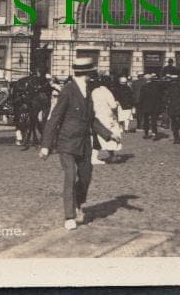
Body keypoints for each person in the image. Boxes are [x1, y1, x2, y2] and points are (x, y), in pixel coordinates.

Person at [40, 57, 121, 230]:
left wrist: (109, 135)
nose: (93, 76)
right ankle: (69, 216)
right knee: (70, 175)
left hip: (84, 142)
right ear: (86, 74)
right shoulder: (68, 90)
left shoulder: (88, 91)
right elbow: (55, 118)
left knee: (86, 176)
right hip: (67, 142)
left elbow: (91, 120)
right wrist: (46, 145)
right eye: (92, 73)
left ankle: (78, 202)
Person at [92, 77, 122, 163]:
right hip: (107, 116)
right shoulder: (107, 92)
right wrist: (116, 103)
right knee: (110, 135)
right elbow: (113, 105)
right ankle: (95, 157)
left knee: (98, 136)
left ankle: (111, 155)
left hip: (96, 115)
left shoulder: (95, 91)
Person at [165, 72, 180, 145]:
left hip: (172, 108)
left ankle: (176, 139)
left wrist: (167, 103)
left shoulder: (169, 88)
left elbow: (165, 98)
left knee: (174, 124)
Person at [137, 74, 162, 140]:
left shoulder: (144, 87)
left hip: (146, 106)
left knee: (146, 120)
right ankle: (154, 133)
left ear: (145, 79)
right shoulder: (156, 86)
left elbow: (141, 98)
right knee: (154, 120)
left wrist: (140, 105)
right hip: (154, 105)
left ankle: (146, 134)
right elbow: (159, 96)